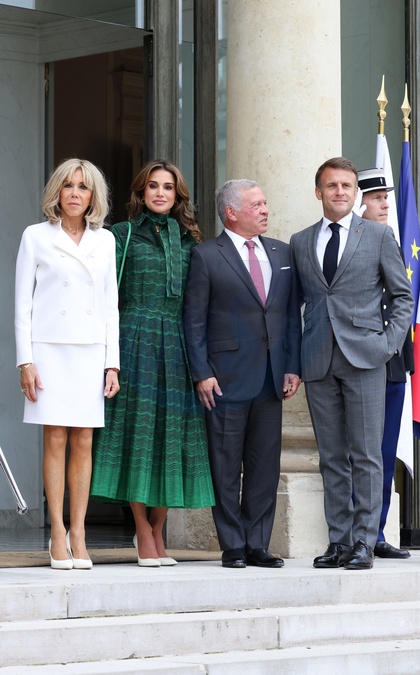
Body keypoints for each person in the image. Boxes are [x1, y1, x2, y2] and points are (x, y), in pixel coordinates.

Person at [290, 157, 414, 570]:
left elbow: (402, 297)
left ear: (355, 193)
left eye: (346, 185)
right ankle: (339, 542)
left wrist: (387, 346)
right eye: (332, 185)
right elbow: (295, 306)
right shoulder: (301, 241)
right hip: (318, 360)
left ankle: (364, 541)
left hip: (365, 358)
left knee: (365, 455)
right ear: (319, 192)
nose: (339, 191)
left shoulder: (378, 235)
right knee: (331, 457)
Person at [90, 159, 215, 567]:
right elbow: (104, 296)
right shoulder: (121, 235)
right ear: (141, 193)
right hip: (134, 340)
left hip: (177, 346)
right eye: (153, 186)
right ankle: (142, 529)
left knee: (171, 437)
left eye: (168, 187)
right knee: (138, 436)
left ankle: (159, 528)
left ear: (178, 196)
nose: (160, 193)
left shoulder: (191, 241)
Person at [183, 179, 301, 569]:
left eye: (265, 202)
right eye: (257, 204)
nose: (265, 209)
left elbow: (291, 316)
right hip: (224, 378)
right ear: (231, 212)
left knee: (265, 467)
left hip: (271, 377)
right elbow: (194, 321)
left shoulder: (282, 253)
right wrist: (201, 372)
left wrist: (293, 366)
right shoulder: (206, 256)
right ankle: (232, 544)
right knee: (225, 465)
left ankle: (257, 544)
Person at [15, 158, 120, 570]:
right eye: (69, 185)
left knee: (84, 440)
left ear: (93, 196)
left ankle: (79, 531)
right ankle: (57, 532)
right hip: (48, 349)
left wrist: (112, 364)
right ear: (57, 192)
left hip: (90, 350)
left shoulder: (105, 240)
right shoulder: (35, 236)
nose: (76, 193)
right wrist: (25, 361)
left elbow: (110, 305)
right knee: (55, 437)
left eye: (84, 187)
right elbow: (22, 305)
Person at [357, 167, 414, 559]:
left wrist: (393, 348)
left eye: (385, 197)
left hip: (390, 361)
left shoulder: (388, 237)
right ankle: (354, 533)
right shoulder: (344, 240)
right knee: (356, 453)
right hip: (355, 360)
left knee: (384, 450)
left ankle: (375, 532)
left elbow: (400, 299)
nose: (384, 204)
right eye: (376, 198)